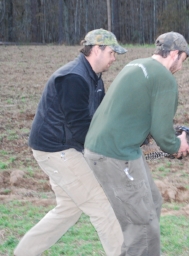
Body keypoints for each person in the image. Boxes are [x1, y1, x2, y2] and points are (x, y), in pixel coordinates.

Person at [14, 28, 127, 256]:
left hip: (63, 148)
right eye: (112, 52)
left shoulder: (94, 78)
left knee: (69, 209)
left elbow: (101, 119)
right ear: (97, 49)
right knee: (102, 206)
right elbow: (80, 130)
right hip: (58, 150)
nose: (114, 58)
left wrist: (131, 136)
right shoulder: (74, 78)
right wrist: (110, 152)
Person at [84, 31, 189, 255]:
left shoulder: (136, 65)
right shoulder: (165, 79)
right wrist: (179, 145)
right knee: (143, 224)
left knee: (153, 201)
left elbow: (139, 115)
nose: (181, 67)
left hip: (112, 148)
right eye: (183, 59)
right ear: (174, 54)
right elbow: (164, 135)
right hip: (115, 154)